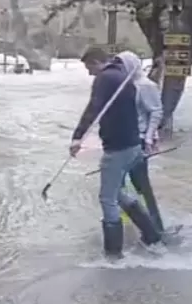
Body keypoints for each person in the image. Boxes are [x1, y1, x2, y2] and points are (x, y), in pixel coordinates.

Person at [71, 47, 164, 259]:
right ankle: (152, 235)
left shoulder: (105, 79)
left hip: (118, 148)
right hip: (133, 145)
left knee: (107, 198)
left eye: (89, 67)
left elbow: (94, 109)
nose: (89, 73)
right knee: (118, 193)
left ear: (97, 62)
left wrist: (78, 137)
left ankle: (114, 254)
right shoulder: (125, 79)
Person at [115, 51, 168, 233]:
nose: (120, 70)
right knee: (118, 187)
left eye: (122, 66)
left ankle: (156, 226)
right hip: (120, 141)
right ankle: (126, 222)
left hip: (138, 141)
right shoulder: (121, 85)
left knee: (141, 185)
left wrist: (149, 136)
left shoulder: (145, 86)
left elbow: (156, 111)